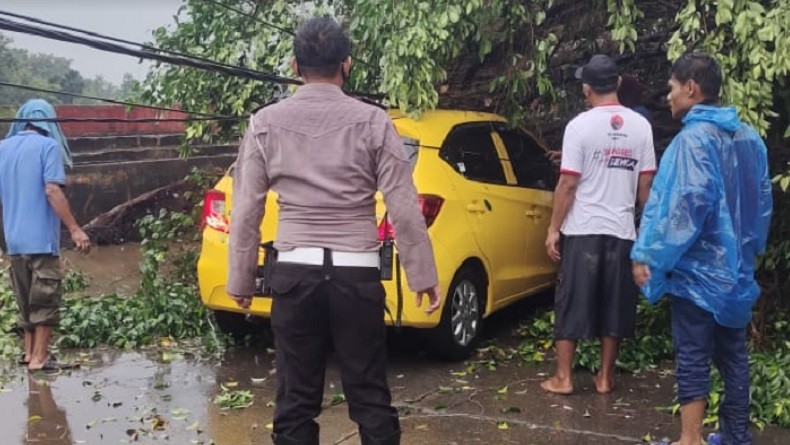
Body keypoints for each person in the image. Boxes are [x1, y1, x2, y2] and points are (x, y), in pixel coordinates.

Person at [226, 17, 441, 445]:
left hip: (293, 277)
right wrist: (423, 275)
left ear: (294, 66)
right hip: (357, 277)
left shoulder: (264, 123)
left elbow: (247, 208)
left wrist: (241, 278)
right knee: (369, 394)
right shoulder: (374, 121)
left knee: (295, 399)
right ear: (347, 64)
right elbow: (402, 203)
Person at [632, 53, 772, 445]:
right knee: (733, 356)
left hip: (697, 273)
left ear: (691, 88)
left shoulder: (692, 141)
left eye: (672, 88)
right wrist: (747, 255)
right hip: (736, 273)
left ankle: (690, 439)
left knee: (693, 354)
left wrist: (649, 255)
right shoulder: (750, 139)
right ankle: (734, 435)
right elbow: (761, 205)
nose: (669, 97)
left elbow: (683, 209)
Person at [542, 54, 656, 395]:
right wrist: (646, 233)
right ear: (617, 83)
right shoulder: (641, 126)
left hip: (583, 230)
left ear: (586, 88)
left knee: (571, 302)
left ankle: (563, 378)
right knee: (615, 304)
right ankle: (605, 377)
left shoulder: (579, 126)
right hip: (622, 231)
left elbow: (568, 183)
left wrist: (553, 229)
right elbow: (646, 186)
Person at [0, 99, 90, 372]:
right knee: (45, 300)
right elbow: (52, 190)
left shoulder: (3, 148)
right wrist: (75, 228)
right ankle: (40, 359)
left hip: (14, 240)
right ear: (49, 122)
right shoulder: (49, 146)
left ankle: (29, 354)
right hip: (40, 240)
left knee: (26, 300)